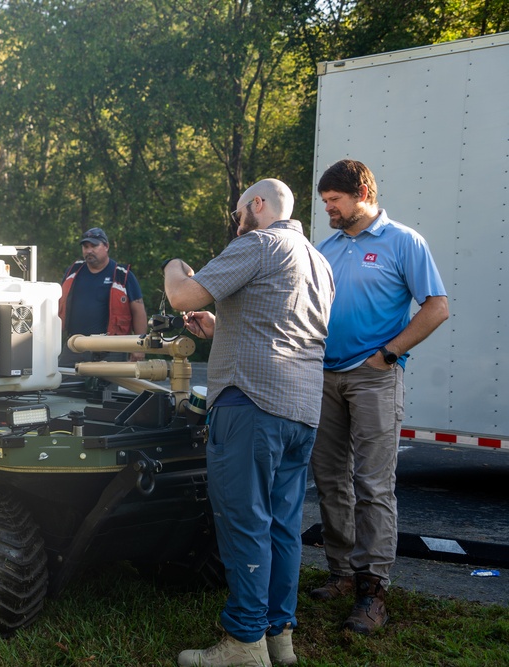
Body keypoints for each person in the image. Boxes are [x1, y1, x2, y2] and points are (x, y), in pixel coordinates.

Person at [164, 179, 335, 667]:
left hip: (251, 405)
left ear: (257, 205)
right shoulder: (318, 260)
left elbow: (181, 295)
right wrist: (222, 327)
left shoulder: (259, 243)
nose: (237, 219)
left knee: (244, 523)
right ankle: (279, 636)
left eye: (240, 210)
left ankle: (243, 643)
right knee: (282, 526)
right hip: (300, 409)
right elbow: (285, 325)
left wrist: (173, 267)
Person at [309, 159, 448, 634]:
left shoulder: (403, 242)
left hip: (373, 379)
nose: (328, 208)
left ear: (362, 192)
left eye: (335, 201)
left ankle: (374, 591)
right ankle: (343, 574)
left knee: (373, 486)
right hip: (324, 378)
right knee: (330, 481)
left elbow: (437, 307)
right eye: (325, 201)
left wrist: (388, 354)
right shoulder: (325, 249)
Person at [57, 227, 148, 366]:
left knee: (106, 388)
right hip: (75, 345)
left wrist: (139, 346)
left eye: (94, 246)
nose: (89, 251)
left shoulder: (122, 275)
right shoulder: (73, 271)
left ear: (106, 246)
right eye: (85, 247)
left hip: (111, 348)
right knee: (63, 385)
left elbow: (139, 312)